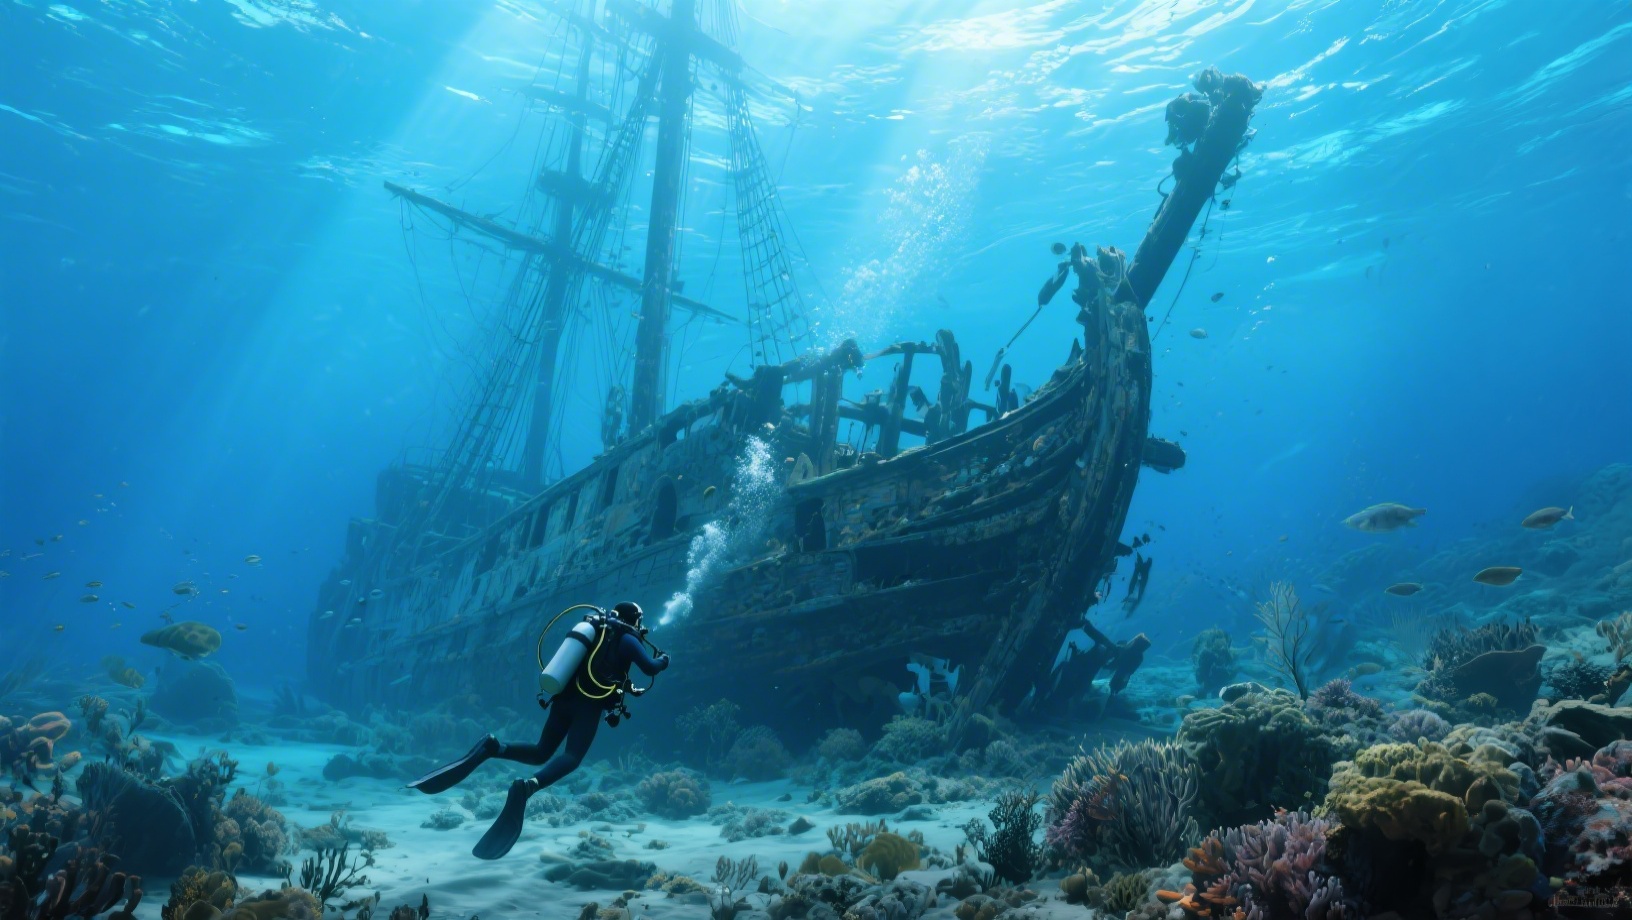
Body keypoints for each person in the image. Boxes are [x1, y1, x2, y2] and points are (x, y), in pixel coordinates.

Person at [408, 601, 669, 859]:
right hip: (587, 706)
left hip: (564, 698)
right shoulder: (627, 638)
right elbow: (649, 667)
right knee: (572, 757)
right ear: (634, 619)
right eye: (640, 620)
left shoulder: (598, 632)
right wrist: (663, 661)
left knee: (541, 751)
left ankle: (493, 747)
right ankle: (528, 787)